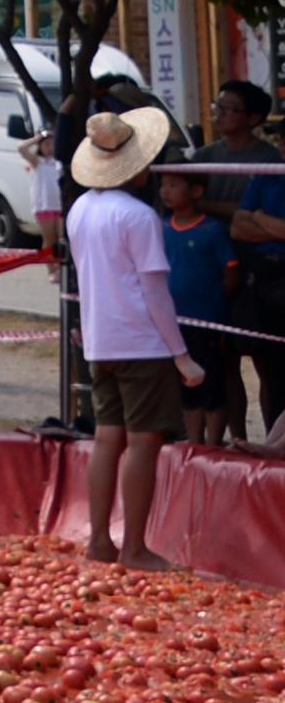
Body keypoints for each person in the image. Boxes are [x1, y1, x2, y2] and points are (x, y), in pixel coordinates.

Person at [63, 103, 207, 571]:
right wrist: (181, 355)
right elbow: (155, 293)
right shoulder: (139, 218)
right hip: (140, 343)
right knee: (143, 442)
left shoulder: (81, 208)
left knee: (108, 438)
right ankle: (135, 547)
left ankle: (101, 540)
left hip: (102, 340)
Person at [197, 80, 285, 438]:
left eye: (230, 107)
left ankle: (271, 438)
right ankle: (237, 438)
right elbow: (239, 223)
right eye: (218, 105)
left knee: (268, 361)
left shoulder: (268, 161)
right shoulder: (202, 158)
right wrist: (256, 220)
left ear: (252, 117)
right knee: (223, 358)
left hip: (262, 271)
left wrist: (247, 218)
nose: (221, 113)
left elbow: (243, 216)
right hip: (213, 269)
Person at [161, 167, 238, 448]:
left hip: (208, 321)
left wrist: (217, 305)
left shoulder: (212, 230)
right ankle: (194, 443)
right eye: (164, 185)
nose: (165, 191)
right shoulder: (162, 228)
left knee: (212, 382)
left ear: (196, 191)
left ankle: (214, 444)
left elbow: (230, 271)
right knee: (186, 384)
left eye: (173, 185)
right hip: (174, 323)